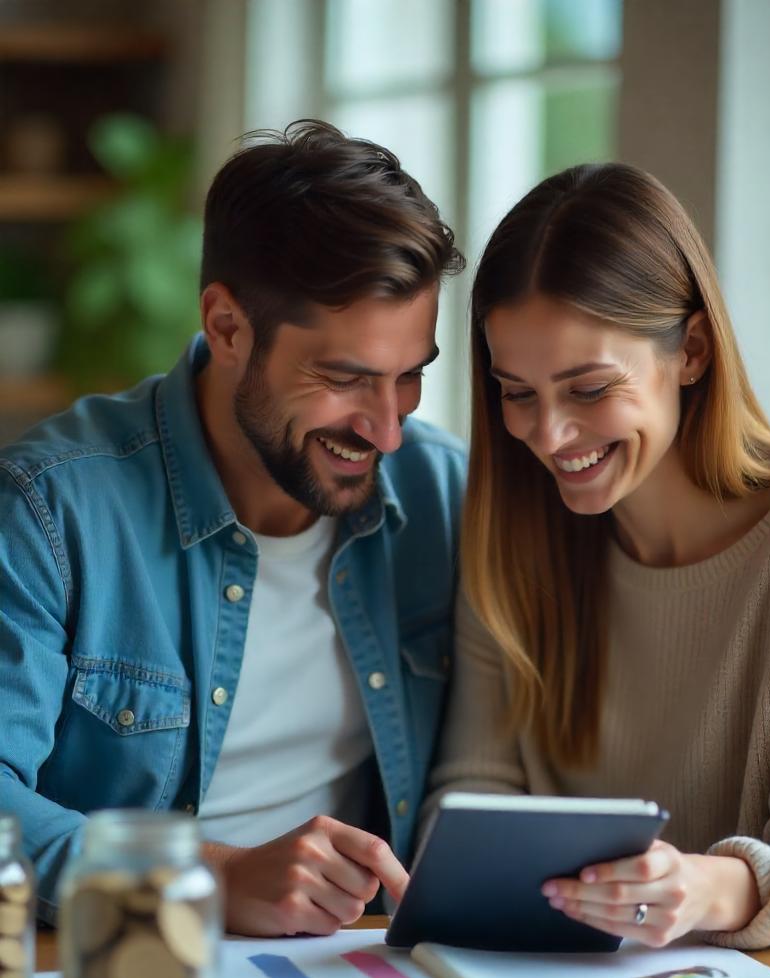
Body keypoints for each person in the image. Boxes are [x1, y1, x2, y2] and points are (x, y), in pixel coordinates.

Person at [1, 120, 467, 936]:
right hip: (116, 970)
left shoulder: (444, 493)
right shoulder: (51, 506)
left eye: (410, 378)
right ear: (226, 328)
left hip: (362, 977)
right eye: (346, 379)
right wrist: (210, 878)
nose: (388, 431)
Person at [425, 162, 770, 950]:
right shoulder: (512, 534)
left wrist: (711, 888)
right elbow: (472, 797)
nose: (548, 435)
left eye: (587, 389)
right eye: (517, 392)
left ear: (694, 352)